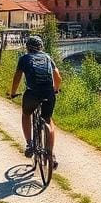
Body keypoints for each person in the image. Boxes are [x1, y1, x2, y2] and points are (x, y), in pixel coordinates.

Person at [9, 35, 62, 169]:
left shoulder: (24, 58)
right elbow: (58, 77)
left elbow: (17, 77)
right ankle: (51, 154)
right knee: (48, 120)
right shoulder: (48, 57)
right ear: (41, 47)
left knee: (26, 114)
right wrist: (55, 90)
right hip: (48, 93)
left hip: (32, 93)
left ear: (27, 48)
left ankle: (29, 144)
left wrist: (13, 93)